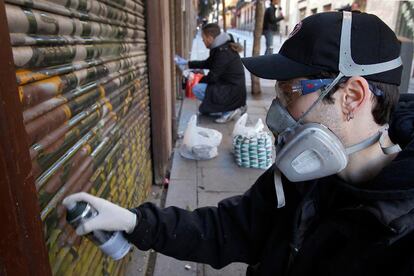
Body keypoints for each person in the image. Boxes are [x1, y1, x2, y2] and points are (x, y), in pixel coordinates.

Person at [63, 11, 414, 275]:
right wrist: (136, 222)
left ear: (352, 96)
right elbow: (227, 229)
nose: (278, 111)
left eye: (289, 91)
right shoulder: (300, 178)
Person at [175, 23, 247, 124]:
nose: (203, 41)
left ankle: (229, 110)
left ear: (209, 38)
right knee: (203, 108)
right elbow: (207, 63)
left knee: (197, 88)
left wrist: (196, 78)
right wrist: (187, 63)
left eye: (203, 38)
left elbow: (213, 77)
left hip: (232, 92)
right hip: (232, 89)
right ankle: (227, 107)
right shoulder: (221, 47)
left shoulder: (223, 52)